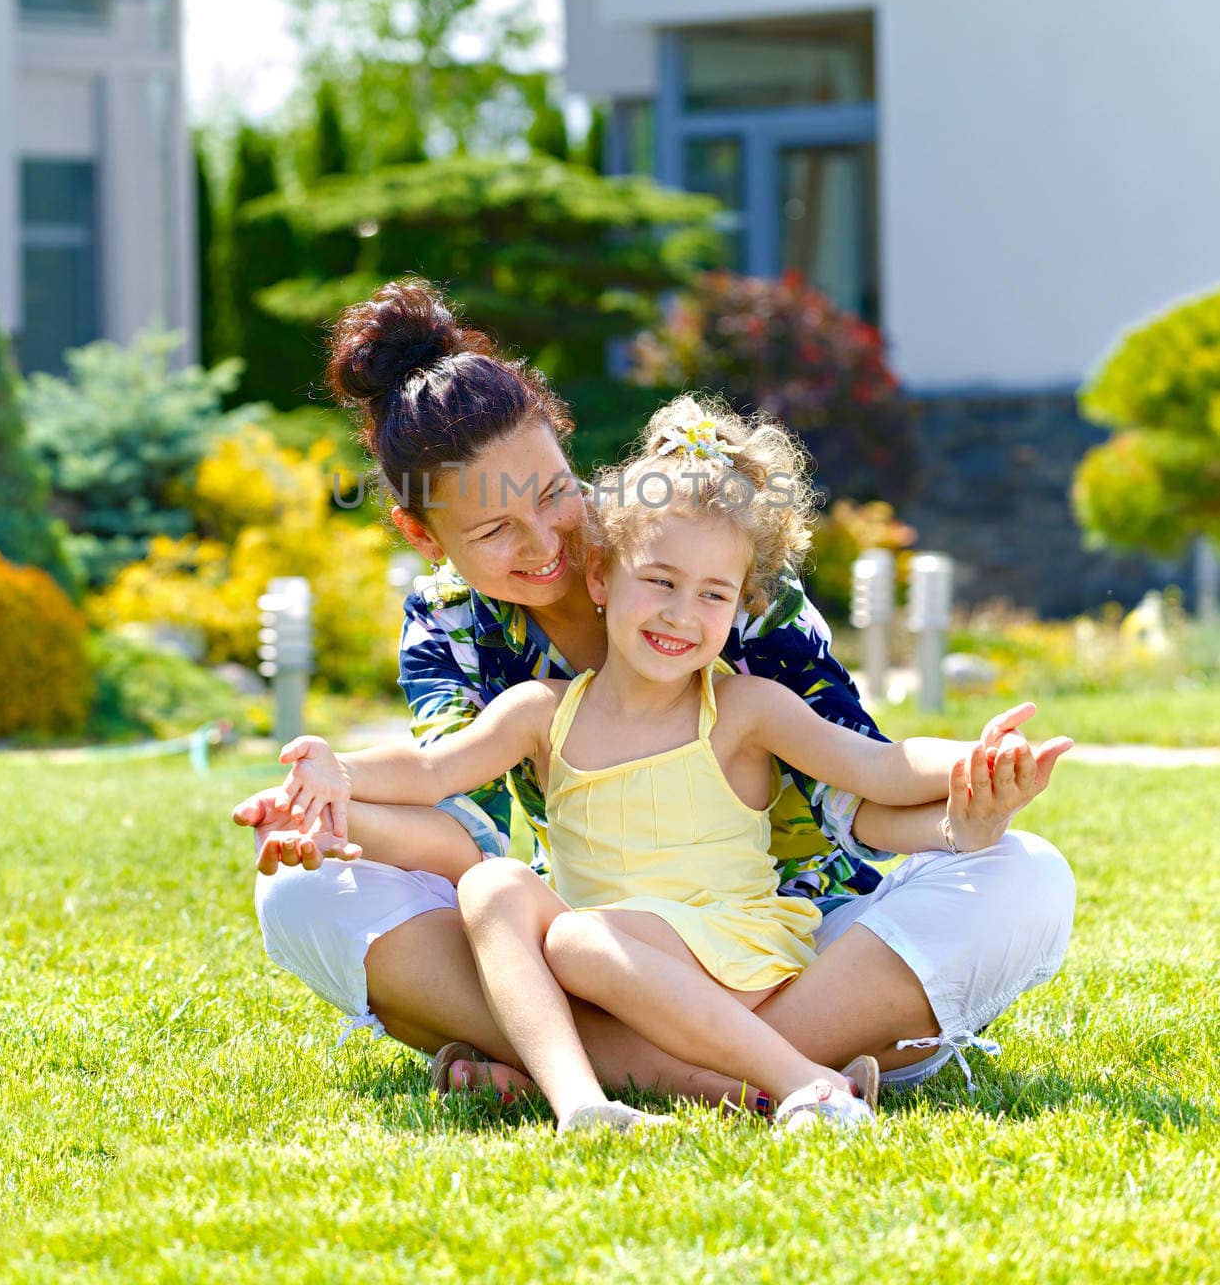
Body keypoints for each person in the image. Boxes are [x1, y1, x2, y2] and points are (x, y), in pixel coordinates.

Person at [233, 278, 1076, 1112]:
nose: (547, 545)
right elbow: (461, 832)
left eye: (556, 493)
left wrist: (966, 800)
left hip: (790, 942)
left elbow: (858, 786)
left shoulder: (708, 567)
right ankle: (752, 1075)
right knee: (304, 890)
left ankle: (582, 1063)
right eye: (493, 531)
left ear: (568, 452)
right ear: (425, 536)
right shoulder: (454, 622)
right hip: (602, 941)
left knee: (1027, 877)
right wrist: (334, 809)